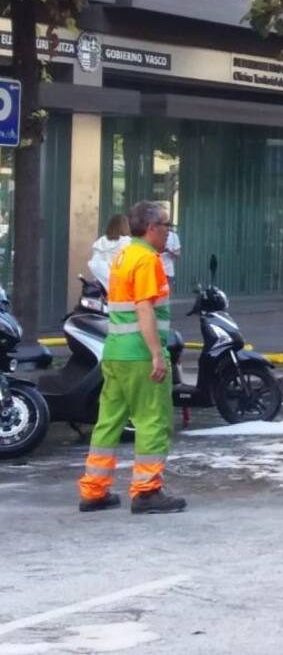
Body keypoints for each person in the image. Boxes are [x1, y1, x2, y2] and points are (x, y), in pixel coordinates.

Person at [77, 202, 185, 514]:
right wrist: (157, 354)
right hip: (140, 355)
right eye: (166, 226)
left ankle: (94, 490)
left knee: (108, 422)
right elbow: (144, 307)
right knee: (152, 421)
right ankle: (147, 492)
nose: (168, 233)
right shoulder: (147, 259)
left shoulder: (123, 255)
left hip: (115, 353)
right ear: (152, 228)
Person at [87, 213, 130, 290]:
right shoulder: (128, 242)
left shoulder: (101, 241)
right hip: (120, 285)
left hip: (101, 284)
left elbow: (95, 263)